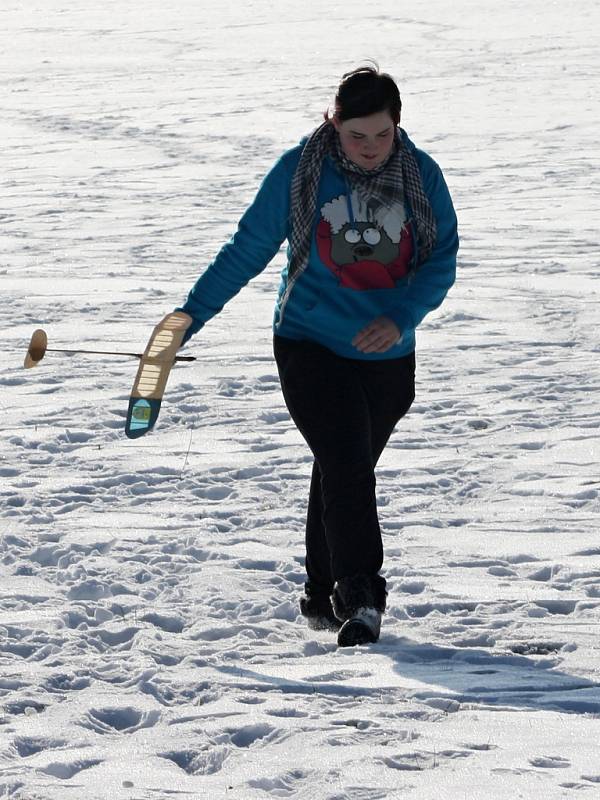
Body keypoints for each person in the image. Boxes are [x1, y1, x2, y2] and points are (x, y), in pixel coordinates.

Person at [175, 65, 459, 647]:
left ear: (397, 126)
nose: (371, 148)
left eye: (382, 134)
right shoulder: (300, 172)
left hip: (388, 354)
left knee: (341, 465)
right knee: (348, 464)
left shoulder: (421, 175)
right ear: (333, 124)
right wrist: (190, 315)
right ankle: (361, 596)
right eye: (357, 135)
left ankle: (319, 592)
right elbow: (247, 249)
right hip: (308, 342)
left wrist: (400, 317)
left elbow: (441, 258)